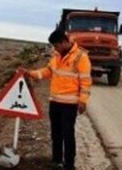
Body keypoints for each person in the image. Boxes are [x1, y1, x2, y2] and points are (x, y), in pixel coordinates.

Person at [20, 29, 91, 170]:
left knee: (68, 135)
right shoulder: (57, 55)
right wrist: (30, 73)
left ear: (64, 42)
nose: (54, 48)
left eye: (56, 45)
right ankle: (57, 160)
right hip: (55, 102)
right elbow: (48, 71)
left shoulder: (80, 57)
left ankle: (69, 165)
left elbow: (85, 81)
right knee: (56, 133)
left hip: (69, 105)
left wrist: (83, 101)